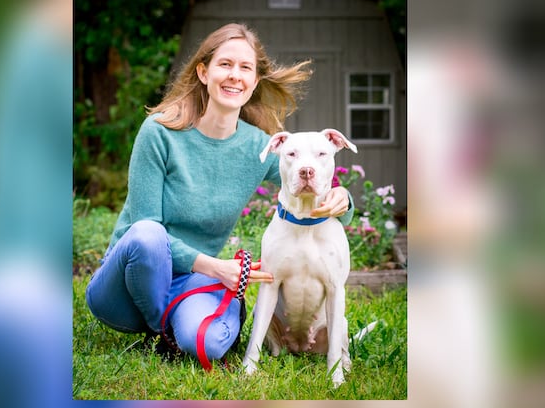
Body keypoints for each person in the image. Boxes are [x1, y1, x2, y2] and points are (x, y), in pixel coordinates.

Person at [85, 23, 355, 365]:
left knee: (210, 345)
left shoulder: (258, 147)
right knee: (148, 236)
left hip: (190, 284)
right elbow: (144, 228)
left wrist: (342, 200)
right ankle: (160, 328)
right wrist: (218, 269)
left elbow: (303, 180)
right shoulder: (159, 132)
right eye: (225, 64)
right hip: (126, 286)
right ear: (203, 71)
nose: (235, 76)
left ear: (255, 81)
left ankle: (186, 325)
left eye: (246, 68)